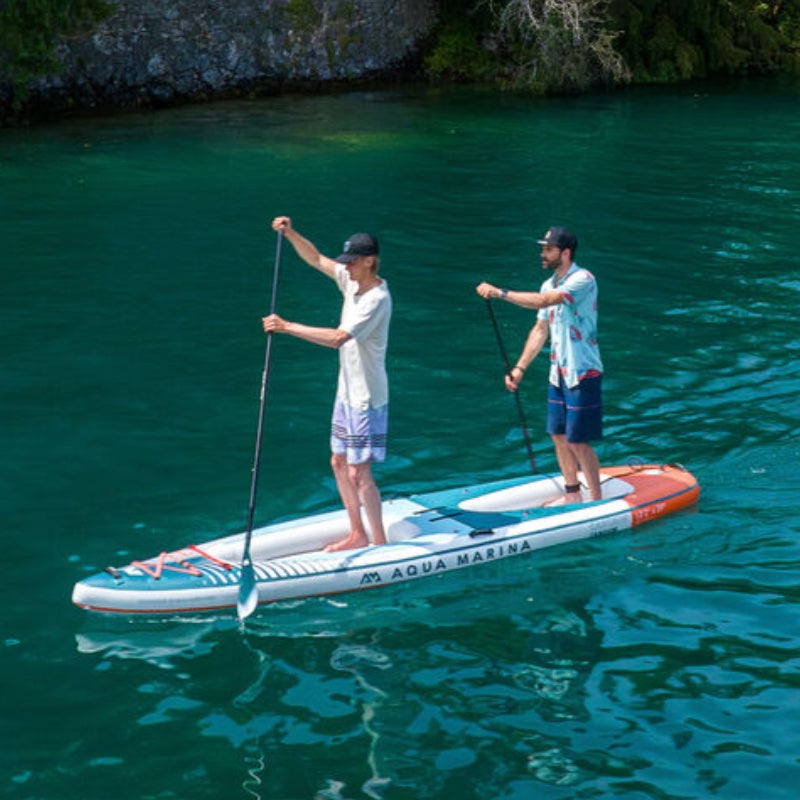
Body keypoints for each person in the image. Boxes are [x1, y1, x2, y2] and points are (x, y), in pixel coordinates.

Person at [263, 216, 392, 551]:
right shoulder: (352, 281)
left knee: (358, 473)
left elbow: (338, 338)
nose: (345, 267)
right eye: (345, 262)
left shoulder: (377, 299)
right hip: (346, 392)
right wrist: (291, 233)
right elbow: (316, 258)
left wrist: (287, 327)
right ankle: (357, 533)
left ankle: (379, 544)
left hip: (367, 397)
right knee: (338, 462)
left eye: (352, 262)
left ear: (369, 261)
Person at [476, 226, 603, 504]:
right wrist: (519, 368)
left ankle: (597, 500)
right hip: (558, 374)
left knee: (578, 441)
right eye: (542, 248)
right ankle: (573, 494)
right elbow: (540, 329)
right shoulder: (549, 283)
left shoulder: (583, 279)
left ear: (565, 252)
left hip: (583, 372)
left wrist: (501, 293)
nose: (542, 253)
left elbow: (546, 301)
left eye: (548, 249)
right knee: (558, 435)